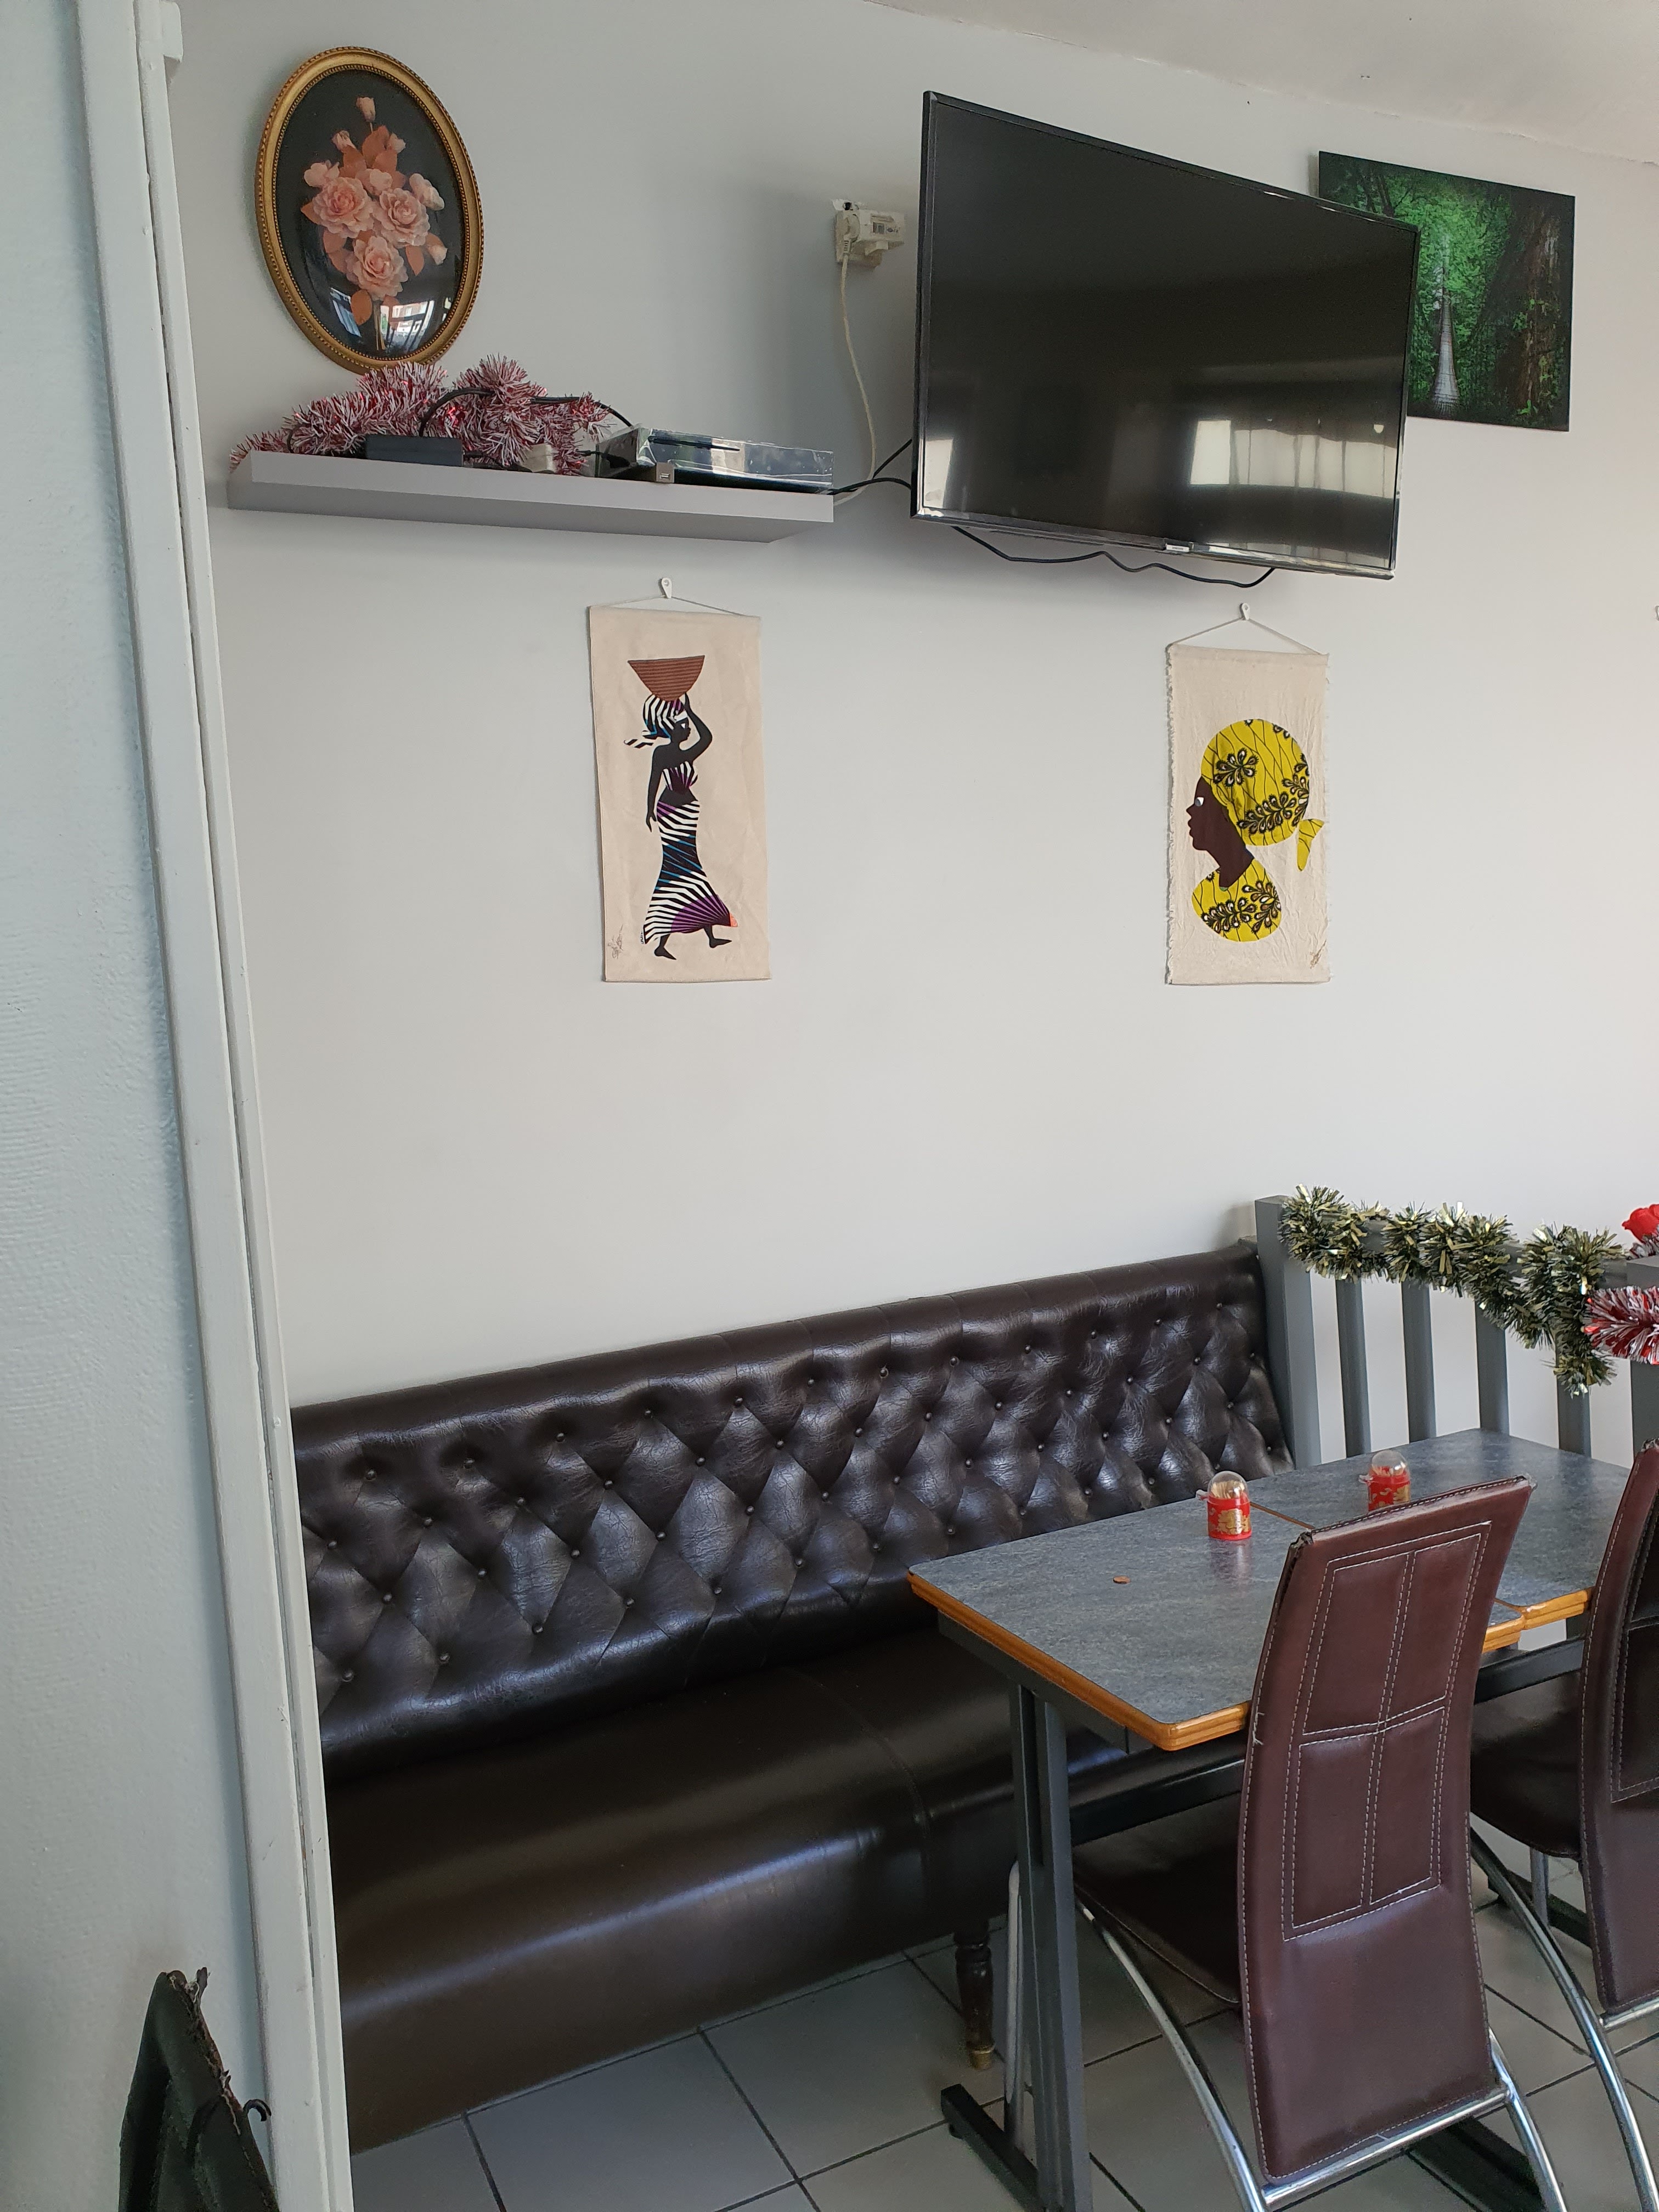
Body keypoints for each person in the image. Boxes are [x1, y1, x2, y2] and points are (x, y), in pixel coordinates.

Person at [1186, 717, 1323, 943]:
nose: (1190, 811)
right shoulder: (1206, 893)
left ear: (1232, 811)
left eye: (1200, 802)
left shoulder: (1260, 905)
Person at [637, 694, 733, 959]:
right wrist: (649, 809)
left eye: (687, 726)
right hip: (671, 815)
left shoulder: (684, 754)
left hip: (687, 813)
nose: (688, 729)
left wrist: (690, 712)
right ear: (671, 729)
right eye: (683, 726)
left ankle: (704, 937)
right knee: (678, 869)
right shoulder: (664, 753)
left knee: (691, 869)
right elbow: (654, 780)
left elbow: (707, 738)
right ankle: (664, 941)